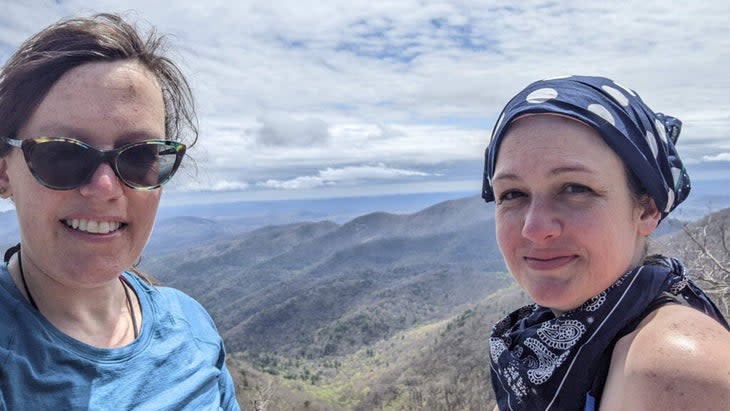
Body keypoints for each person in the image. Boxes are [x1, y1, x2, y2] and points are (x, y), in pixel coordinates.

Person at [0, 13, 240, 410]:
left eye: (141, 155)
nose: (105, 187)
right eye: (62, 152)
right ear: (4, 172)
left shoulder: (192, 327)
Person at [481, 75, 730, 410]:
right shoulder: (553, 350)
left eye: (575, 188)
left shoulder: (676, 367)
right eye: (512, 194)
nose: (535, 228)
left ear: (647, 209)